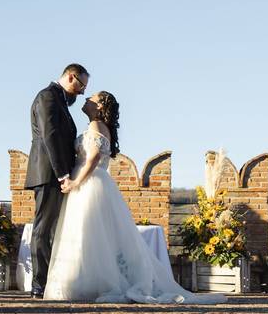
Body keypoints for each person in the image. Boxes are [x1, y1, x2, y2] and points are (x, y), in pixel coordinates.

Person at [44, 91, 227, 305]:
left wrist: (76, 182)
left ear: (101, 106)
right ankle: (86, 281)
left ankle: (91, 282)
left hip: (89, 182)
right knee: (90, 233)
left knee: (89, 231)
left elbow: (93, 157)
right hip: (89, 181)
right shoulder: (94, 127)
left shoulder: (96, 126)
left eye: (91, 98)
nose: (86, 100)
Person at [24, 63, 89, 299]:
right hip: (50, 174)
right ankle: (39, 285)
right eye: (81, 86)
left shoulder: (60, 100)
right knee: (43, 229)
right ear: (71, 77)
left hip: (56, 174)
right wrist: (63, 173)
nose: (81, 93)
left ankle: (50, 281)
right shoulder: (47, 97)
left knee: (52, 229)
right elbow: (50, 136)